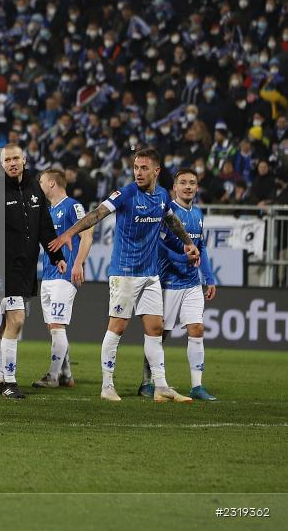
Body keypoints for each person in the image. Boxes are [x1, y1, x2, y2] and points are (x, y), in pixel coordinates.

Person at [49, 148, 199, 403]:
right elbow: (98, 214)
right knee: (117, 327)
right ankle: (107, 385)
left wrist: (187, 242)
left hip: (150, 275)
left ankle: (161, 386)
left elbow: (172, 220)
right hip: (124, 273)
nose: (138, 172)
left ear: (156, 171)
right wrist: (69, 233)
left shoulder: (163, 195)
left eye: (143, 168)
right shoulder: (127, 193)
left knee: (155, 328)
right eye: (135, 168)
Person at [0, 144, 66, 400]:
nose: (12, 163)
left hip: (27, 268)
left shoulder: (34, 189)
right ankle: (9, 381)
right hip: (4, 268)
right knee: (17, 320)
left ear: (24, 160)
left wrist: (56, 256)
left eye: (15, 158)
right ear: (2, 164)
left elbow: (44, 224)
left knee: (7, 323)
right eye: (7, 159)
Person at [138, 169, 218, 401]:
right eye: (183, 182)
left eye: (192, 183)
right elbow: (159, 247)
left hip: (191, 283)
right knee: (158, 335)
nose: (188, 186)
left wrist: (209, 277)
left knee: (197, 330)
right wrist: (183, 258)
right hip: (167, 282)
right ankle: (147, 382)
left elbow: (200, 247)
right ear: (174, 187)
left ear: (197, 187)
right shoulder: (166, 212)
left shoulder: (198, 213)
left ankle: (197, 386)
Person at [32, 168, 93, 389]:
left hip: (64, 274)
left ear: (51, 183)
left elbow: (87, 233)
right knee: (53, 327)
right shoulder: (48, 210)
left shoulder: (72, 206)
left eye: (41, 181)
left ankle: (53, 376)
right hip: (48, 275)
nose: (38, 185)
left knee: (57, 325)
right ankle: (66, 375)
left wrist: (78, 263)